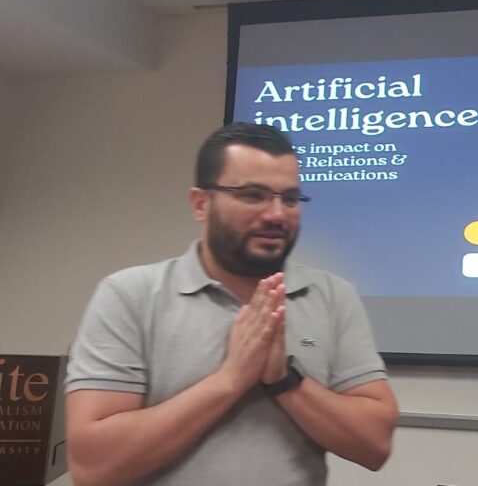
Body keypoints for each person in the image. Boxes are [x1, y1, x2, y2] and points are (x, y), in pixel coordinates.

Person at [64, 123, 398, 486]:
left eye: (289, 198)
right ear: (201, 204)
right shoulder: (129, 295)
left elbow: (374, 445)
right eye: (253, 195)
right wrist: (230, 380)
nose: (276, 214)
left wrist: (283, 378)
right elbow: (92, 466)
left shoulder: (333, 296)